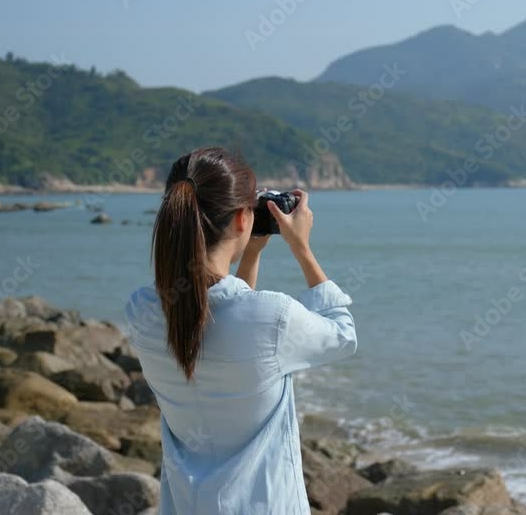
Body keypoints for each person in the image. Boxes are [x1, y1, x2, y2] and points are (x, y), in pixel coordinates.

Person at [124, 147, 357, 514]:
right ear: (240, 220)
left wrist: (251, 254)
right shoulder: (272, 316)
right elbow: (343, 336)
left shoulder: (143, 310)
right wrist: (302, 249)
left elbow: (220, 314)